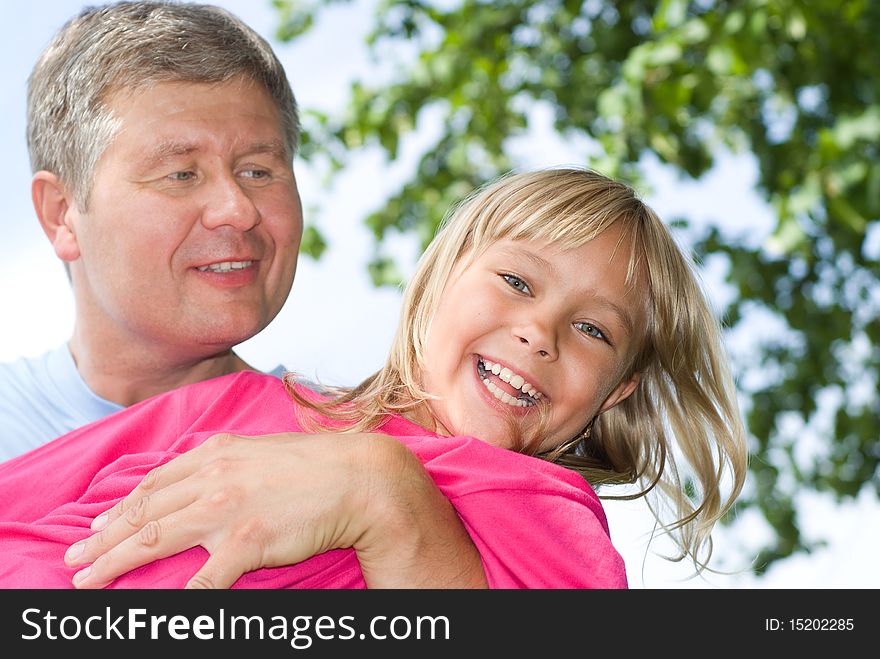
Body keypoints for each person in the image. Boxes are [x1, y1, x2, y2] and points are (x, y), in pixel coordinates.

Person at [0, 167, 748, 589]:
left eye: (593, 329)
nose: (538, 332)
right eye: (517, 281)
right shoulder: (233, 400)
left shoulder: (546, 514)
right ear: (441, 279)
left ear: (616, 392)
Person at [0, 0, 487, 588]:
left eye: (259, 170)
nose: (238, 209)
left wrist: (390, 500)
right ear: (62, 216)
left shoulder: (386, 450)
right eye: (181, 174)